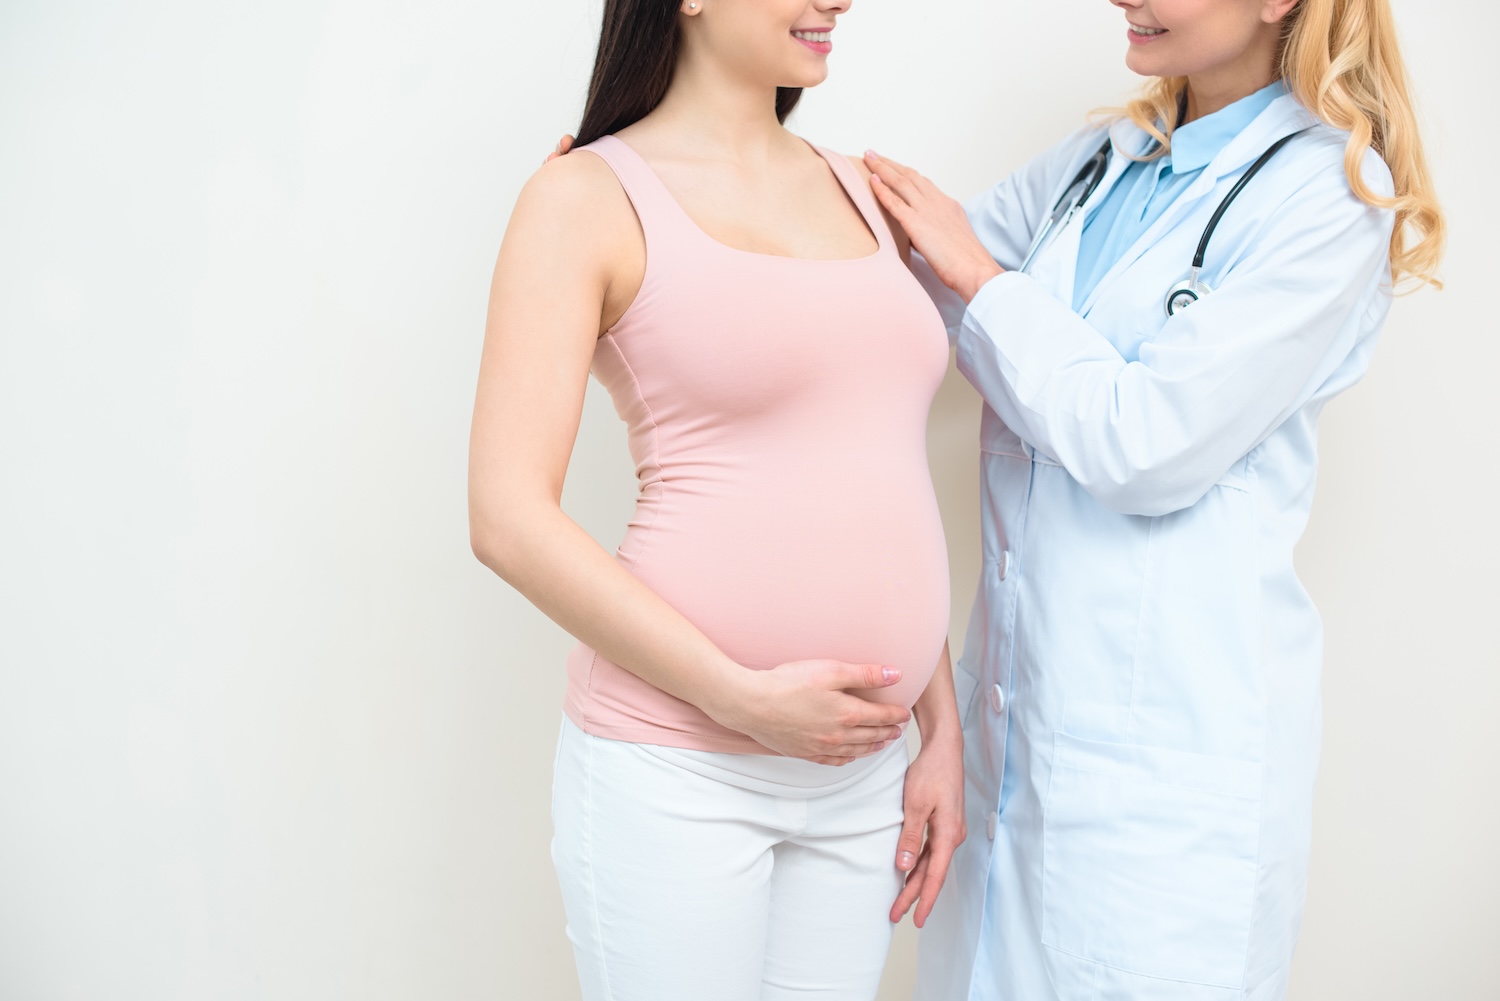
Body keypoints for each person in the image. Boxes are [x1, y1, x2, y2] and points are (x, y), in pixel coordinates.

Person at [861, 0, 1445, 998]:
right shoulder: (1106, 160)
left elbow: (1145, 441)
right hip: (1010, 751)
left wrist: (985, 280)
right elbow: (899, 265)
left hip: (1164, 794)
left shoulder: (1332, 193)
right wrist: (674, 173)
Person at [469, 1, 965, 999]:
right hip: (679, 771)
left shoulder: (866, 190)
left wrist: (940, 728)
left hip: (860, 774)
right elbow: (506, 516)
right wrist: (737, 695)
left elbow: (875, 477)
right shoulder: (581, 198)